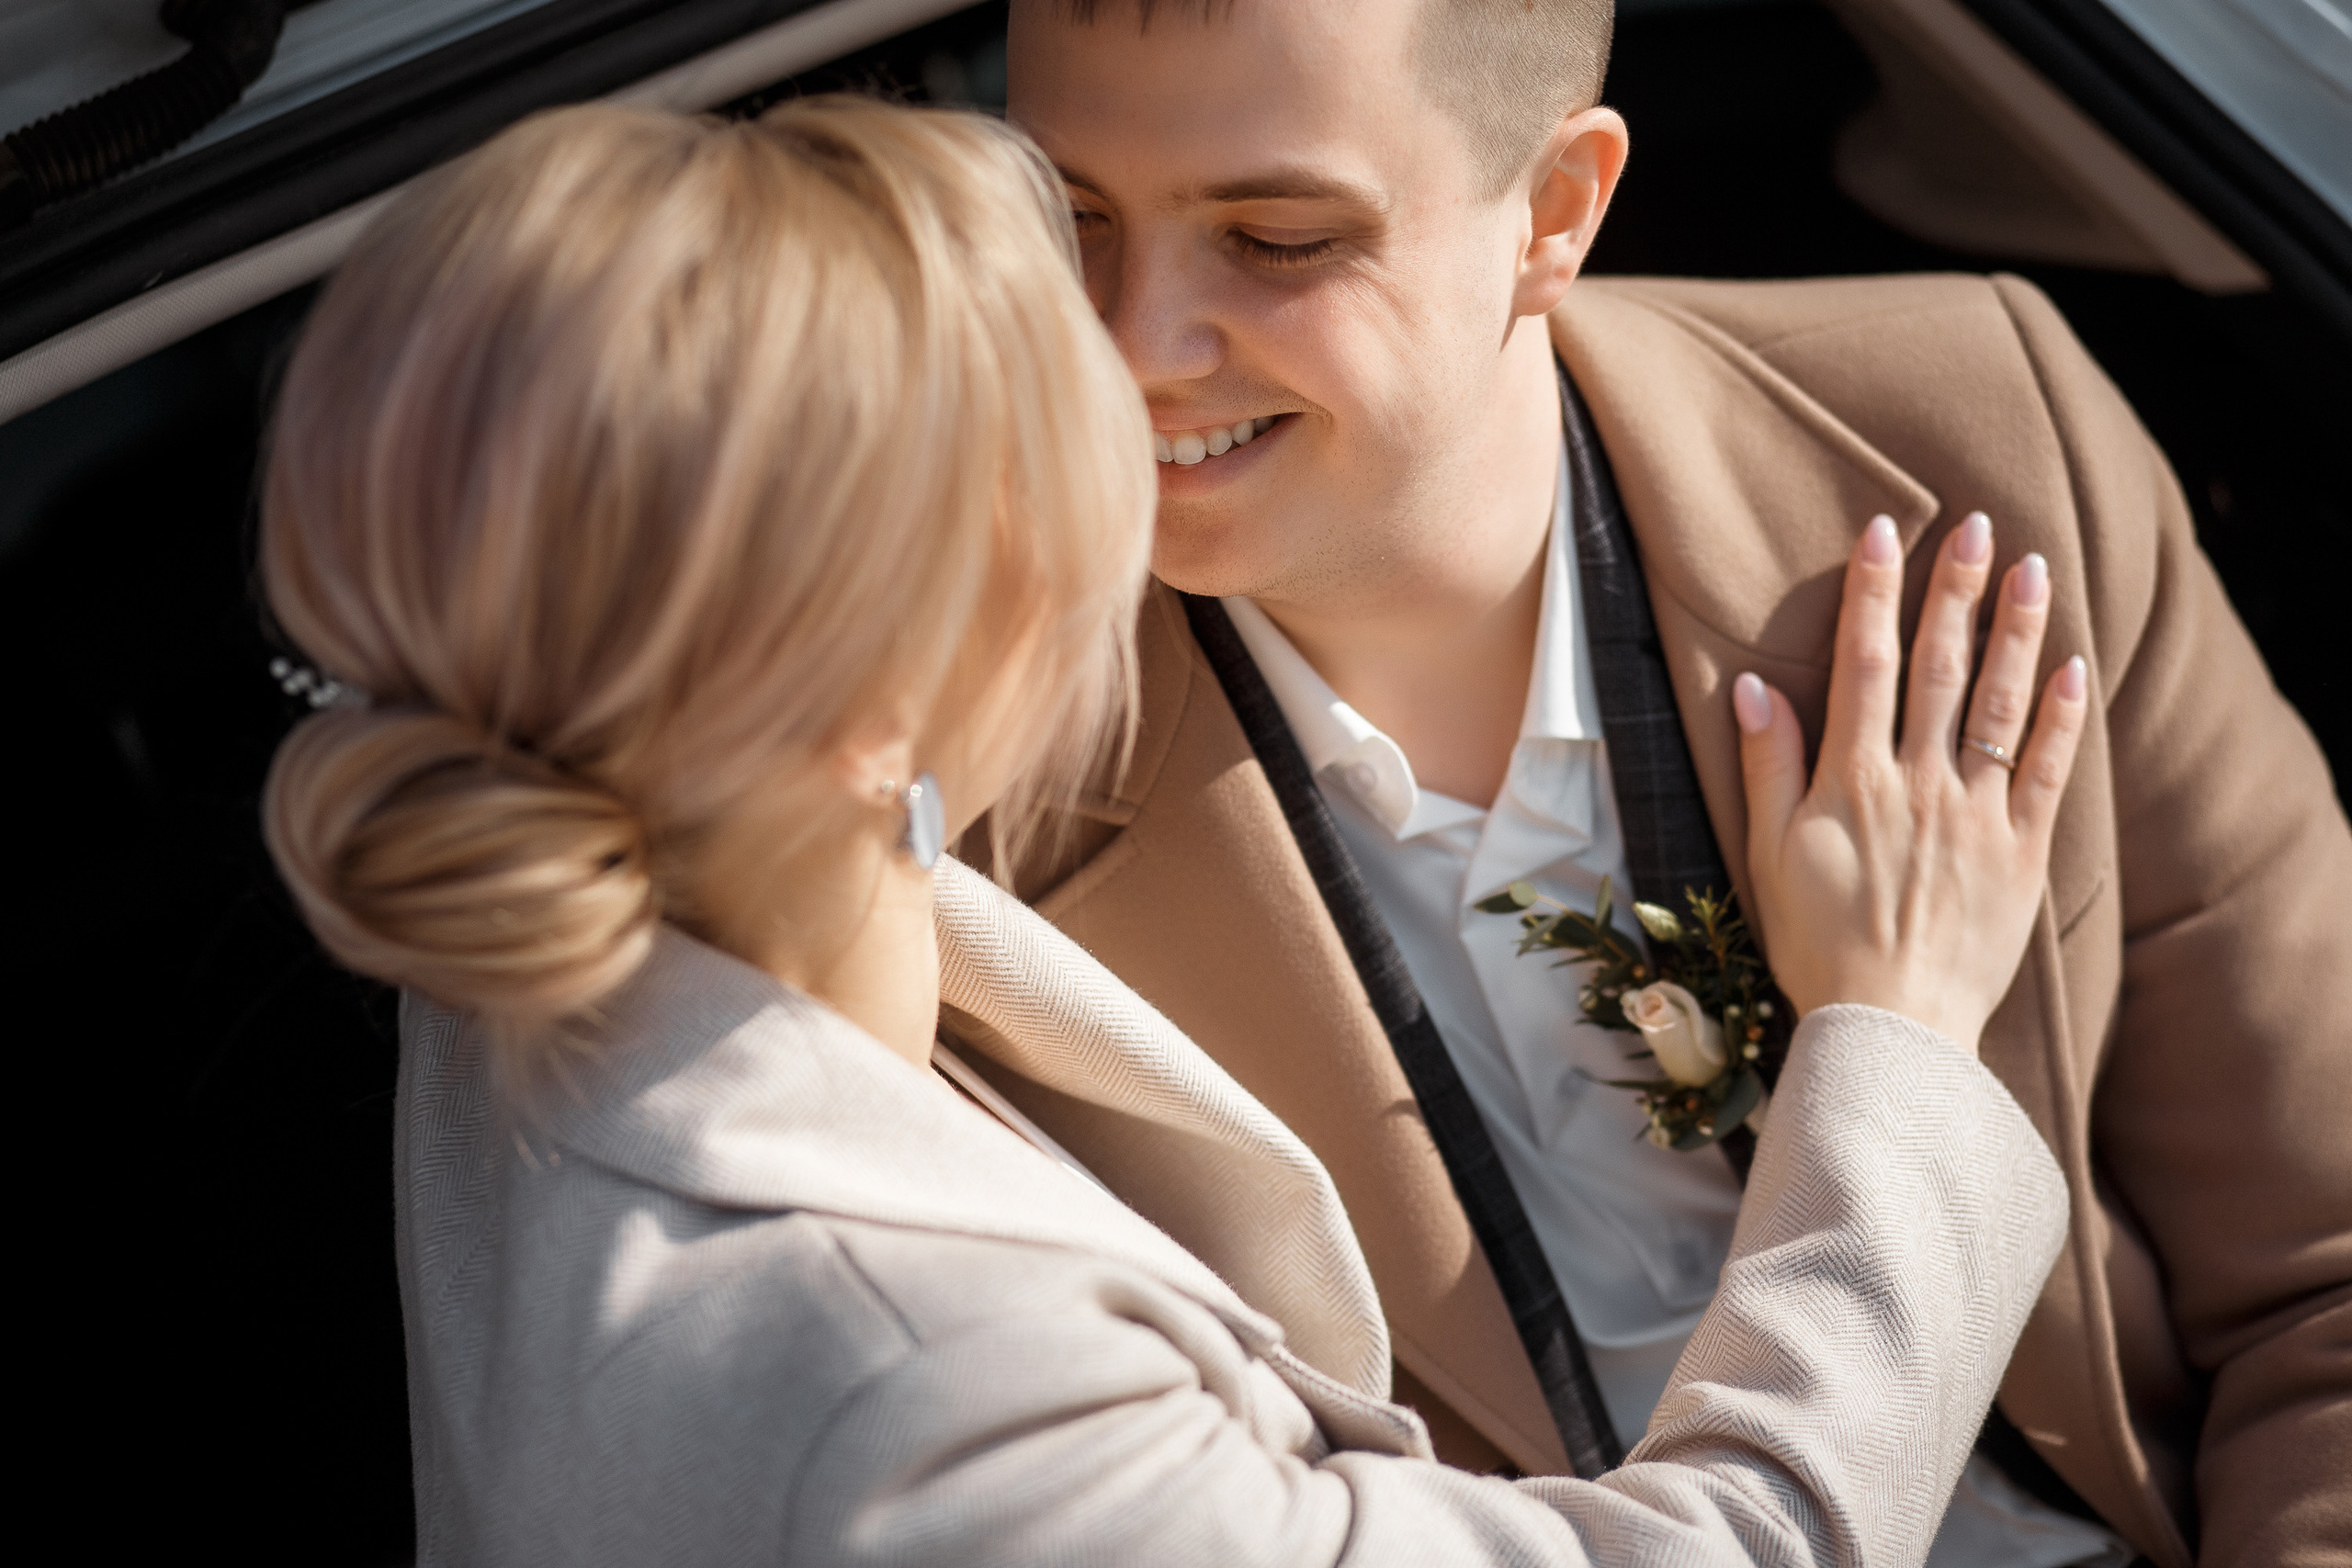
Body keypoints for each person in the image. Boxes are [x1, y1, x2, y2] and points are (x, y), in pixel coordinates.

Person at [260, 96, 2086, 1566]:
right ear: (870, 695)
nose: (1144, 375)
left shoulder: (526, 881)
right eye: (1063, 482)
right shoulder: (939, 1390)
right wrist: (1899, 1035)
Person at [970, 3, 2352, 1566]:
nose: (1131, 343)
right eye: (1065, 215)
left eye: (1277, 239)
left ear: (1555, 212)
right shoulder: (931, 777)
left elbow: (2328, 1280)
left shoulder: (1976, 444)